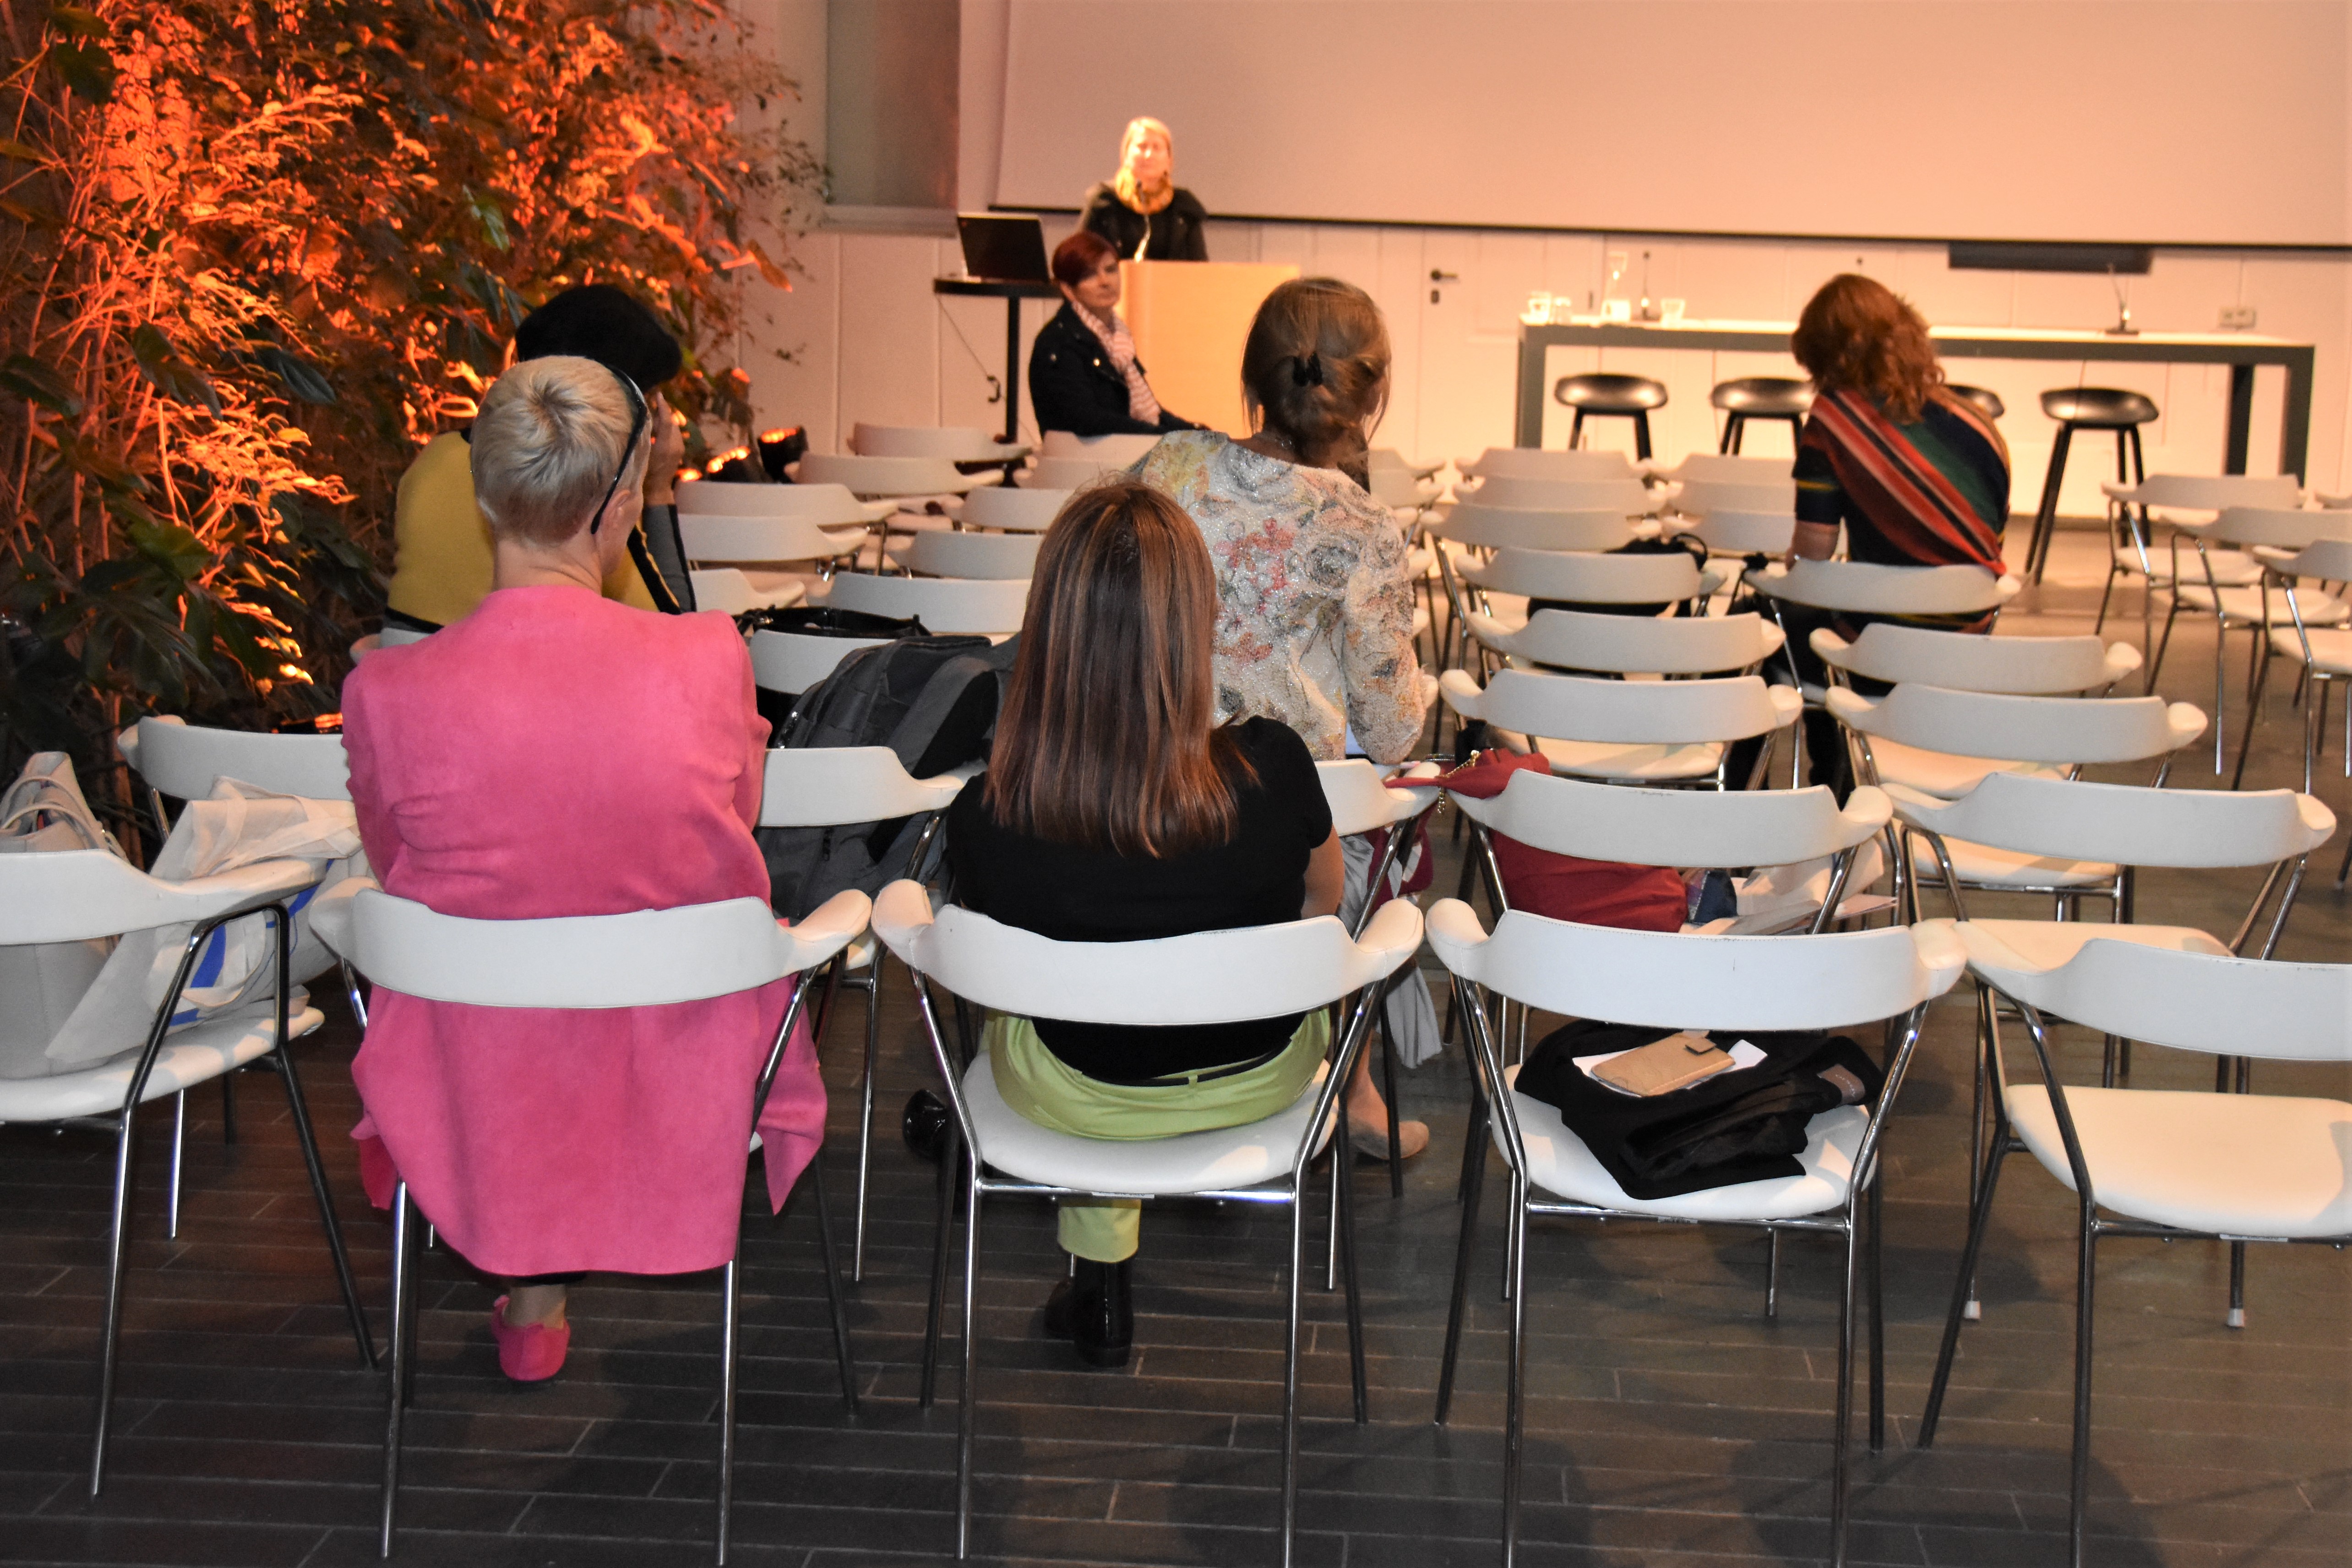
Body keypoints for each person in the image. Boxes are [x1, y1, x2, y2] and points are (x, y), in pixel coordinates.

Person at [342, 356, 823, 1383]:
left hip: (476, 1067)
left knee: (506, 973)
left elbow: (395, 864)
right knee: (629, 945)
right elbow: (727, 833)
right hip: (678, 1054)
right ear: (624, 501)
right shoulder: (707, 657)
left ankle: (534, 1292)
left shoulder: (386, 691)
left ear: (483, 496)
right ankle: (563, 1264)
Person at [945, 480, 1343, 1369]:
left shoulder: (990, 813)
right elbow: (1323, 906)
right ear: (1195, 619)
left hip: (1078, 1096)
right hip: (1264, 1076)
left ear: (1048, 628)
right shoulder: (1274, 765)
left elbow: (1001, 963)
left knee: (1049, 1016)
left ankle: (1099, 1278)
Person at [1132, 276, 1431, 1162]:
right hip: (1274, 831)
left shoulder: (1168, 468)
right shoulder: (1363, 523)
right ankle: (1355, 1082)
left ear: (1253, 376)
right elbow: (1393, 731)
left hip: (1139, 794)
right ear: (1372, 393)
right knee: (1380, 812)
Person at [1777, 273, 2014, 779]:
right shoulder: (1978, 422)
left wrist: (1789, 563)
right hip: (1965, 643)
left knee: (1766, 624)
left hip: (1879, 649)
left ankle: (1820, 782)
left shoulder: (1834, 421)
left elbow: (1815, 552)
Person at [384, 284, 692, 635]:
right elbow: (676, 631)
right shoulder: (590, 491)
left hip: (416, 662)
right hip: (505, 666)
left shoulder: (434, 459)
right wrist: (657, 490)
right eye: (643, 402)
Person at [1028, 229, 1199, 438]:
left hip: (1120, 450)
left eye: (1110, 270)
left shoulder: (1118, 339)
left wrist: (1196, 433)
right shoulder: (1058, 342)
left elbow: (1152, 413)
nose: (1105, 281)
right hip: (1084, 455)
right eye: (1090, 275)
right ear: (1068, 289)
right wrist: (1161, 436)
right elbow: (1086, 420)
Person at [1079, 116, 1209, 262]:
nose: (1149, 155)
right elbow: (1079, 260)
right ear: (1126, 155)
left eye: (1157, 148)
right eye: (1142, 147)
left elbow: (1200, 267)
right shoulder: (1103, 201)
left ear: (1169, 159)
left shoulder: (1183, 207)